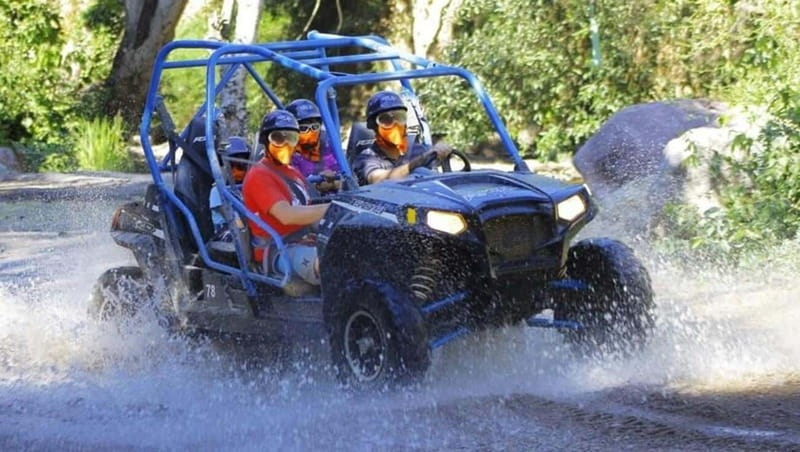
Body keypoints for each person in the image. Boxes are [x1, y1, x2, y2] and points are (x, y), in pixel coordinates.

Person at [242, 110, 329, 285]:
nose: (286, 144)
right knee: (330, 263)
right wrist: (333, 208)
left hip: (305, 239)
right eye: (279, 138)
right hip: (278, 249)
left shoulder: (293, 172)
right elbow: (287, 215)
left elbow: (309, 214)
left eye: (292, 138)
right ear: (266, 140)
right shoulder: (259, 174)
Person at [352, 91, 452, 185]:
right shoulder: (366, 159)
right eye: (386, 119)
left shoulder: (419, 150)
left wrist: (442, 150)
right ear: (373, 125)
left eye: (400, 117)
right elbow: (377, 179)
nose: (395, 124)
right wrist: (416, 164)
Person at [285, 98, 341, 194]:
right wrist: (318, 185)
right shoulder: (287, 155)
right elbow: (294, 188)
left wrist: (335, 182)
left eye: (315, 127)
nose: (310, 133)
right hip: (309, 205)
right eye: (303, 128)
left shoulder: (327, 146)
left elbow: (346, 176)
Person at [208, 136, 250, 241]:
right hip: (228, 232)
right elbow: (234, 221)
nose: (235, 171)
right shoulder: (218, 191)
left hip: (246, 227)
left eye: (241, 165)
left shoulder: (248, 186)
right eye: (231, 166)